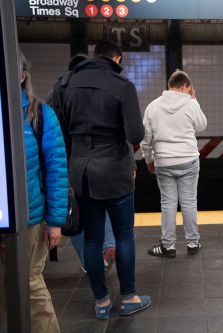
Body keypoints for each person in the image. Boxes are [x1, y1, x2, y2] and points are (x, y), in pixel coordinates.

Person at [61, 40, 150, 319]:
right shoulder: (122, 86)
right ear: (117, 59)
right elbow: (135, 135)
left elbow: (60, 131)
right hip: (115, 172)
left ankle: (100, 302)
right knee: (123, 235)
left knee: (92, 239)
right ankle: (128, 298)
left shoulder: (65, 85)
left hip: (81, 173)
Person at [48, 53, 116, 274]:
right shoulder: (92, 89)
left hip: (64, 161)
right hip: (94, 158)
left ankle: (89, 261)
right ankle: (108, 244)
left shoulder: (56, 93)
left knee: (72, 210)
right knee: (100, 201)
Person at [20, 51, 68, 332]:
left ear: (22, 75)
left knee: (30, 283)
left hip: (29, 218)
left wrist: (55, 221)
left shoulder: (39, 115)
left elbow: (56, 168)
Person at [141, 70, 207, 258]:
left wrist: (149, 160)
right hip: (188, 159)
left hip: (164, 161)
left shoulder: (153, 106)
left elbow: (146, 140)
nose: (190, 92)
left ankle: (168, 246)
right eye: (190, 89)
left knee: (168, 203)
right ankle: (193, 242)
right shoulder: (189, 103)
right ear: (184, 86)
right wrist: (194, 101)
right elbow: (202, 125)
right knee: (189, 202)